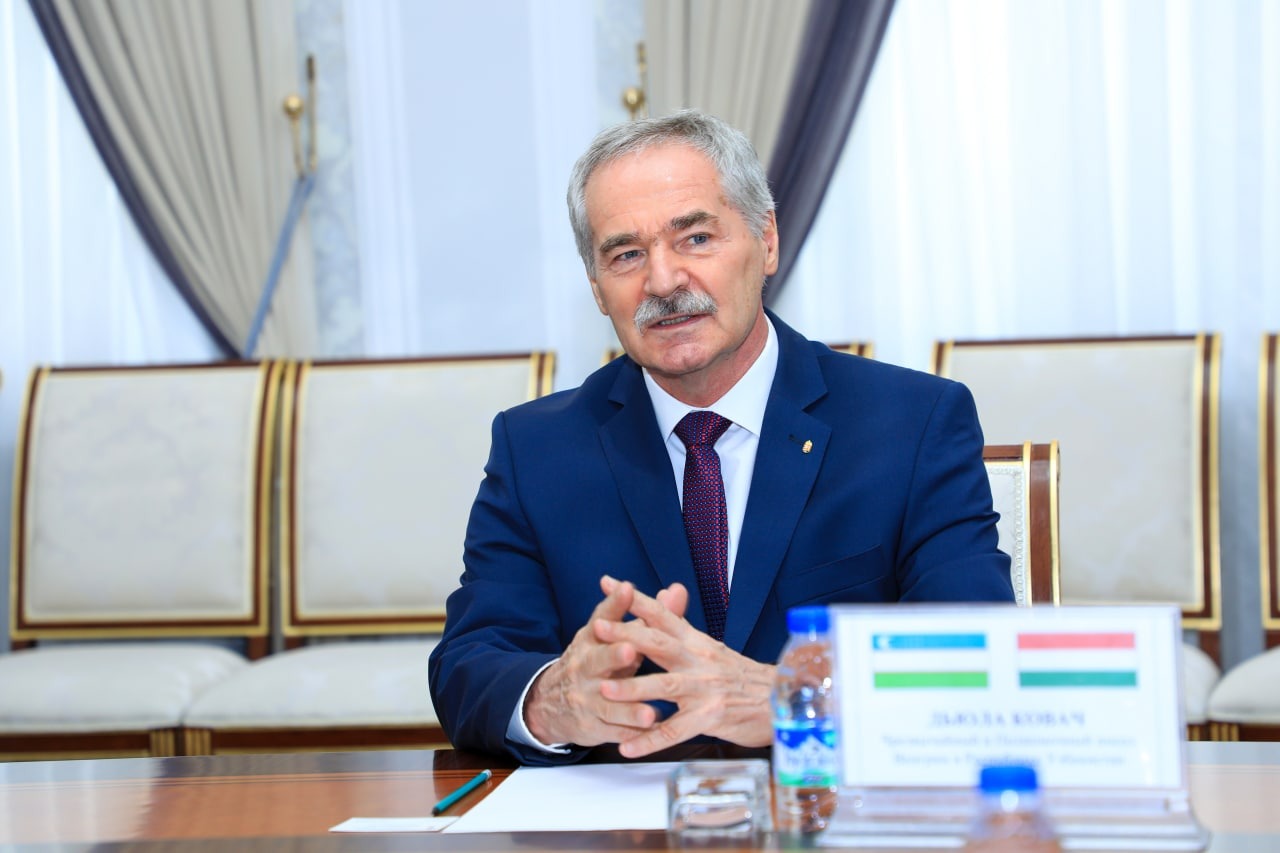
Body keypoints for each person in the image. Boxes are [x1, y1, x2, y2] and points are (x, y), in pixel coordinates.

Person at [428, 110, 1014, 765]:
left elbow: (978, 658)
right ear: (596, 288)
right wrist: (555, 699)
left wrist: (792, 696)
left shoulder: (912, 423)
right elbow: (468, 666)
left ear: (767, 242)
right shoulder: (537, 449)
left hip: (825, 804)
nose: (663, 281)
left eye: (696, 238)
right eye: (626, 254)